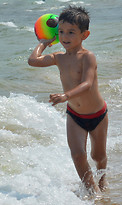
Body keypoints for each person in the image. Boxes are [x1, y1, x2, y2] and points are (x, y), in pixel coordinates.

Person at [28, 6, 108, 195]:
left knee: (98, 156)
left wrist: (65, 96)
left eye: (71, 32)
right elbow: (33, 61)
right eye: (61, 32)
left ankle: (102, 180)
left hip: (98, 115)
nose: (65, 37)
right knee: (78, 154)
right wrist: (44, 43)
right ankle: (93, 192)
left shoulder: (88, 56)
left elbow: (87, 84)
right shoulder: (58, 58)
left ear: (84, 35)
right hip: (75, 115)